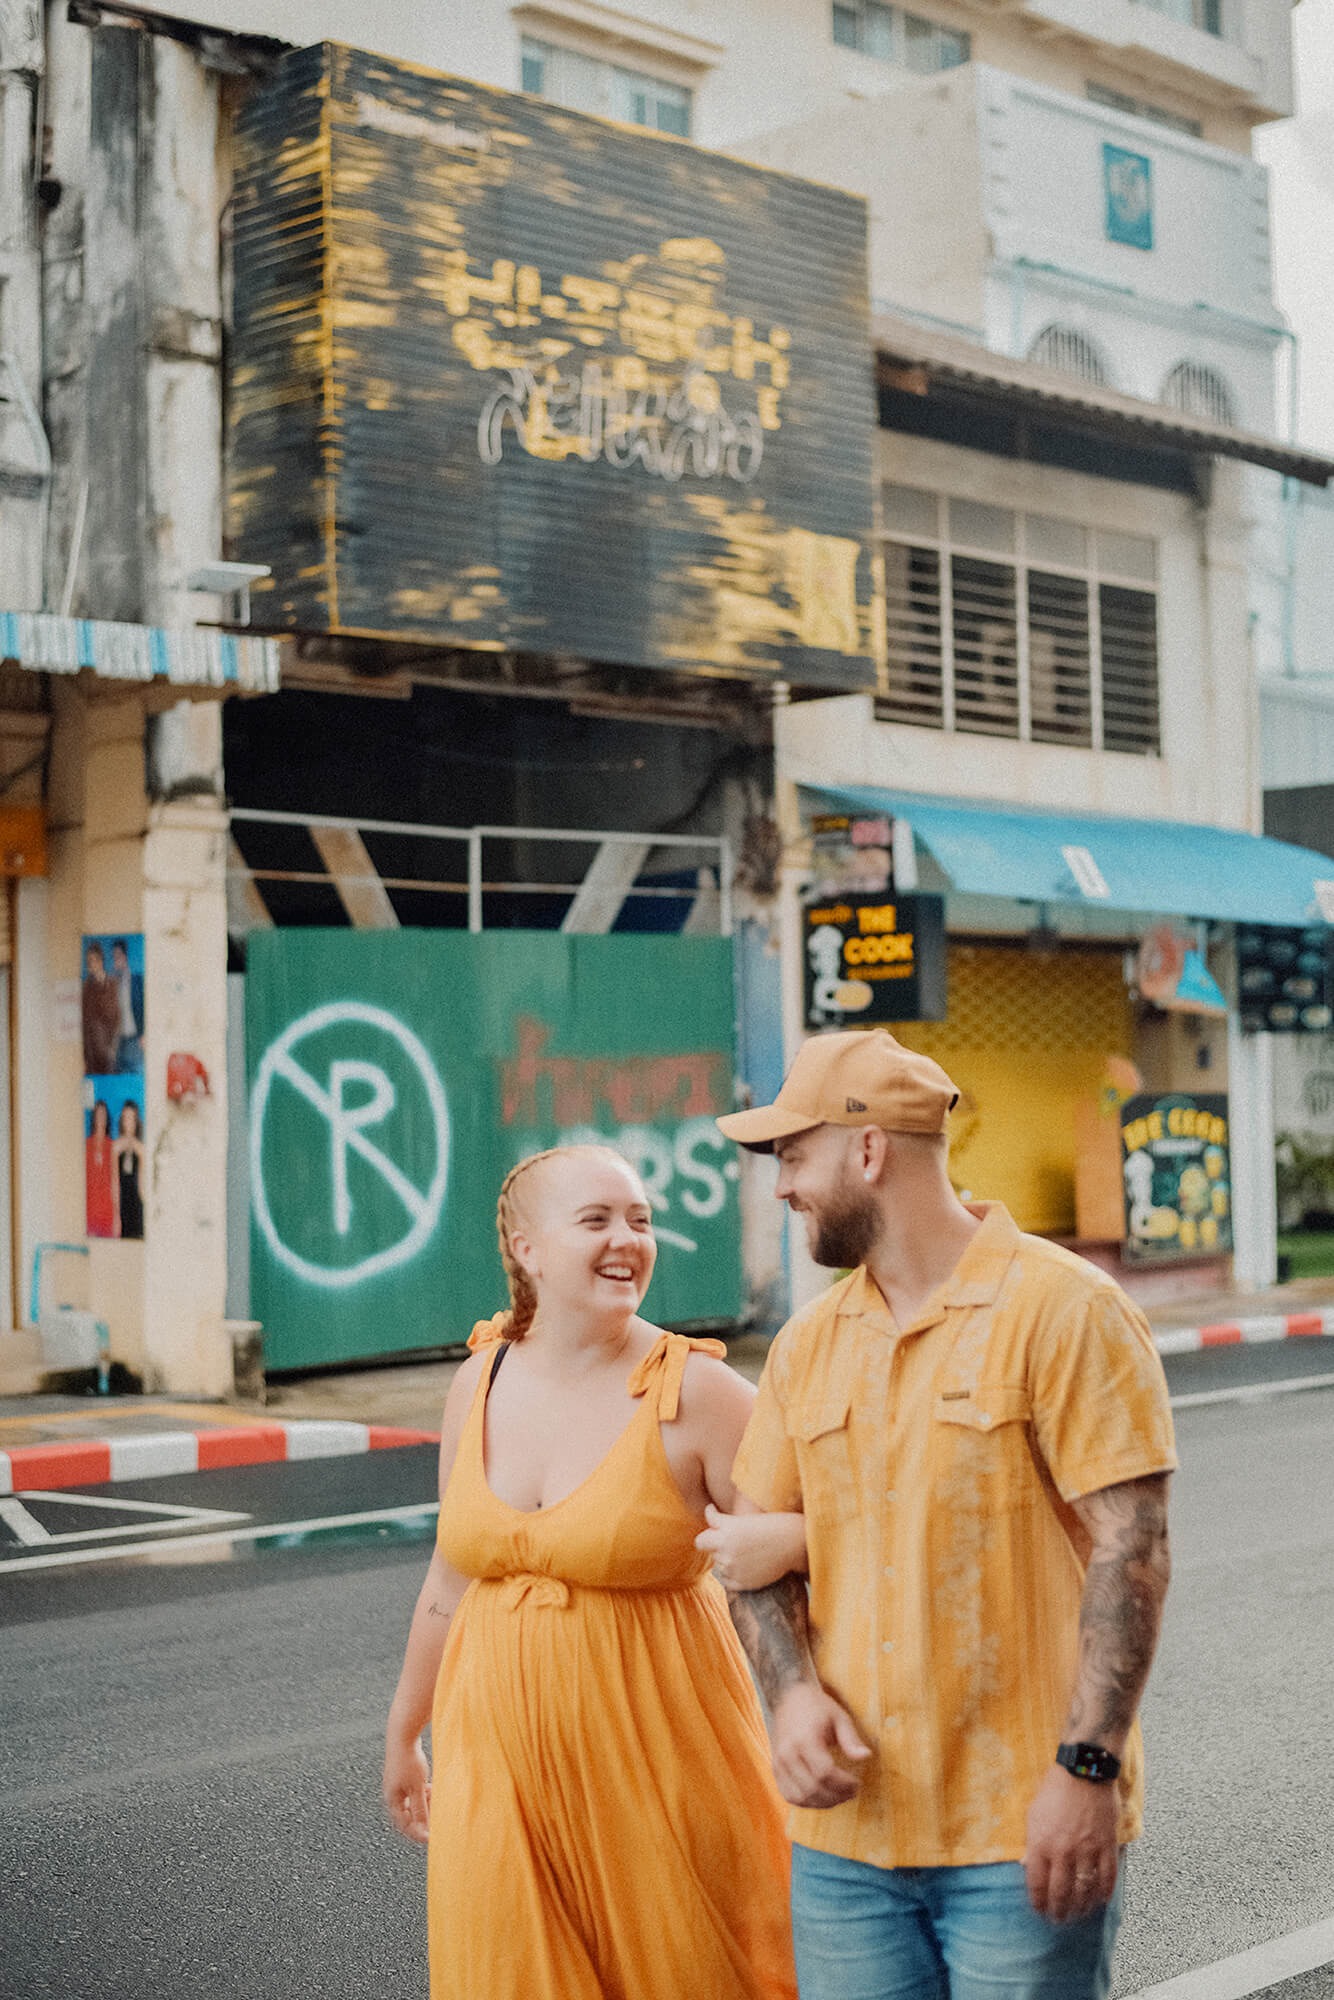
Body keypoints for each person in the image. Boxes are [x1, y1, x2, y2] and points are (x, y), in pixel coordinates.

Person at [707, 1029, 1176, 2000]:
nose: (782, 1185)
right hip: (845, 1847)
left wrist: (1085, 1770)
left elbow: (1130, 1548)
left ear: (867, 1149)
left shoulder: (1064, 1310)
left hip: (1017, 1833)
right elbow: (749, 1558)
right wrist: (790, 1693)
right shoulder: (804, 1346)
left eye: (792, 1155)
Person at [382, 1143, 798, 2000]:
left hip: (662, 1758)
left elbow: (794, 1560)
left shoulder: (700, 1394)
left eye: (641, 1221)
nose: (629, 1240)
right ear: (528, 1248)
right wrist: (402, 1733)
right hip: (494, 1755)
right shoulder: (478, 1379)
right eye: (598, 1220)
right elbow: (448, 1581)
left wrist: (806, 1709)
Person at [80, 942, 120, 1076]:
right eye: (88, 962)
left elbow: (118, 1016)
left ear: (100, 961)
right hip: (91, 1050)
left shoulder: (113, 984)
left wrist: (113, 1048)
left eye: (92, 961)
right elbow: (85, 1021)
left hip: (109, 1049)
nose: (90, 965)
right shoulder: (86, 987)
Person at [114, 1100, 145, 1240]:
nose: (128, 1123)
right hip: (120, 1202)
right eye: (125, 1118)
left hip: (136, 1203)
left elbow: (142, 1183)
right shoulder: (115, 1148)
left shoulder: (141, 1149)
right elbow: (113, 1180)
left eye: (131, 1118)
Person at [111, 939, 144, 1074]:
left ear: (125, 957)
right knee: (119, 1074)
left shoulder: (137, 981)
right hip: (119, 1041)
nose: (115, 960)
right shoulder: (113, 983)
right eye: (114, 957)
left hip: (135, 1039)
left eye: (118, 956)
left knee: (136, 1073)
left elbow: (143, 1007)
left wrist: (144, 1034)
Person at [85, 1100, 115, 1238]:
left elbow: (115, 1180)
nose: (100, 1119)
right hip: (89, 1208)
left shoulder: (112, 1146)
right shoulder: (86, 1145)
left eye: (103, 1115)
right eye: (97, 1115)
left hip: (107, 1210)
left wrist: (116, 1215)